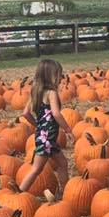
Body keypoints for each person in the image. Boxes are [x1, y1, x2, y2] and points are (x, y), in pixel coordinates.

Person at [18, 58, 72, 193]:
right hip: (47, 138)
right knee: (36, 169)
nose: (61, 78)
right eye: (59, 75)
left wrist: (38, 125)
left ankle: (65, 193)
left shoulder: (36, 91)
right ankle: (18, 193)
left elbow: (25, 113)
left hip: (45, 136)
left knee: (63, 163)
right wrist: (67, 129)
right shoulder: (51, 93)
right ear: (51, 76)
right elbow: (56, 114)